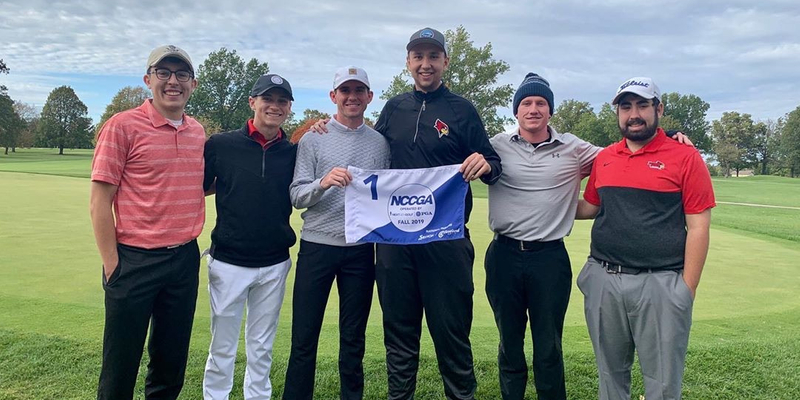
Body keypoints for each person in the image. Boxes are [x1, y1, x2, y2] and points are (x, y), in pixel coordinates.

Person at [375, 27, 501, 400]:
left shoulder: (462, 110)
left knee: (452, 336)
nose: (425, 64)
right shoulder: (393, 108)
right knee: (399, 337)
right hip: (396, 243)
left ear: (445, 61)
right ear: (408, 62)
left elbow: (493, 163)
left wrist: (485, 164)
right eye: (418, 57)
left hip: (446, 242)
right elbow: (368, 153)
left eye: (433, 56)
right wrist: (328, 127)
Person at [576, 77, 715, 400]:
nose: (633, 114)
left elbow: (699, 227)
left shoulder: (685, 156)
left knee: (663, 384)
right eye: (626, 107)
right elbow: (590, 207)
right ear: (618, 113)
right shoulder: (606, 157)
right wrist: (539, 201)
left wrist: (686, 290)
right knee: (610, 378)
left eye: (642, 105)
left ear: (659, 109)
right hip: (604, 279)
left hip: (661, 283)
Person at [90, 44, 205, 400]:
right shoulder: (121, 126)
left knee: (170, 364)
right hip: (134, 261)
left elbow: (195, 183)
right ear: (147, 79)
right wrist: (113, 264)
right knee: (120, 365)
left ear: (193, 84)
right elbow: (99, 201)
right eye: (163, 73)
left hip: (184, 259)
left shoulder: (197, 131)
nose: (173, 82)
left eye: (182, 74)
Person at [484, 73, 600, 400]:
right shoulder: (496, 145)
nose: (533, 109)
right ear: (516, 111)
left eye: (540, 103)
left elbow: (620, 155)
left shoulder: (573, 148)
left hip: (549, 259)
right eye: (526, 103)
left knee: (548, 346)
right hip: (503, 256)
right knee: (510, 343)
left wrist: (666, 136)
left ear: (550, 110)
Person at [282, 66, 390, 400]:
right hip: (317, 247)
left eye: (359, 91)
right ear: (333, 96)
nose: (352, 97)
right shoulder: (313, 138)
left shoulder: (380, 143)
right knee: (304, 338)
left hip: (360, 251)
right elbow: (297, 196)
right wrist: (323, 182)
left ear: (369, 97)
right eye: (345, 90)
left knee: (354, 339)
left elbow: (386, 196)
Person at [201, 74, 297, 400]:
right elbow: (200, 188)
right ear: (252, 102)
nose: (275, 106)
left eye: (282, 101)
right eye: (268, 99)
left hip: (275, 263)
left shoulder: (293, 151)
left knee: (261, 345)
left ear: (289, 108)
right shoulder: (221, 144)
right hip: (228, 262)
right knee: (222, 346)